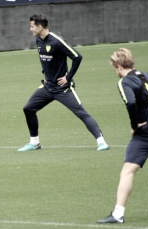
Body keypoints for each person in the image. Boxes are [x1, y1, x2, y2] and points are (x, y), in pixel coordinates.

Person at [97, 48, 148, 223]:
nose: (115, 71)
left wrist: (135, 125)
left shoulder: (125, 82)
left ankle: (117, 215)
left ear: (119, 66)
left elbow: (131, 103)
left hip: (146, 133)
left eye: (114, 68)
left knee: (127, 171)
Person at [17, 14, 109, 151]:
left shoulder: (57, 41)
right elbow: (45, 59)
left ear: (40, 27)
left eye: (32, 26)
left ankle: (101, 142)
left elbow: (77, 57)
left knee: (81, 113)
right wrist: (45, 73)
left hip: (63, 88)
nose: (30, 29)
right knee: (28, 108)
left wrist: (68, 77)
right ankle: (34, 142)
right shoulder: (38, 41)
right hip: (47, 87)